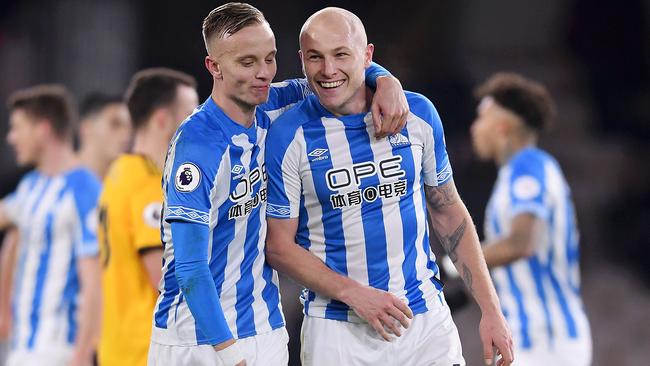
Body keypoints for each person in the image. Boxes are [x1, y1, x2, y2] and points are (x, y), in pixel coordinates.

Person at [147, 3, 408, 366]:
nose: (263, 74)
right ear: (214, 67)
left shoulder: (272, 104)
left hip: (264, 327)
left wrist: (385, 80)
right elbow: (190, 269)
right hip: (198, 340)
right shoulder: (197, 147)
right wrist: (229, 354)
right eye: (247, 62)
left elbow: (335, 76)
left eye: (269, 59)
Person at [264, 7, 515, 366]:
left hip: (425, 323)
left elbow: (447, 211)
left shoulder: (418, 115)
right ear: (301, 61)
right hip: (337, 333)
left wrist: (491, 310)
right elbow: (278, 248)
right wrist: (355, 295)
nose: (328, 69)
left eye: (341, 55)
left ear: (367, 56)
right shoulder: (288, 135)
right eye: (315, 57)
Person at [470, 72, 592, 365]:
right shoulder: (516, 174)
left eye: (481, 118)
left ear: (502, 127)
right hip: (532, 335)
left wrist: (452, 265)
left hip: (545, 338)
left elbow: (520, 243)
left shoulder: (528, 166)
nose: (475, 128)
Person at [97, 68, 198, 366]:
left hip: (118, 347)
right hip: (145, 351)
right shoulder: (147, 185)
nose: (198, 124)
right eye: (190, 114)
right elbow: (166, 279)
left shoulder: (118, 172)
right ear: (163, 119)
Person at [0, 85, 102, 366]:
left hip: (58, 349)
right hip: (21, 347)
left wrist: (82, 354)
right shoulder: (31, 186)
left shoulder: (84, 190)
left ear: (42, 129)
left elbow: (94, 279)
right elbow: (10, 233)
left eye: (17, 128)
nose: (11, 138)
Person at [77, 92, 132, 179]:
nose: (126, 136)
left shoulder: (129, 185)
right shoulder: (55, 180)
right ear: (86, 129)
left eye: (129, 128)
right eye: (115, 124)